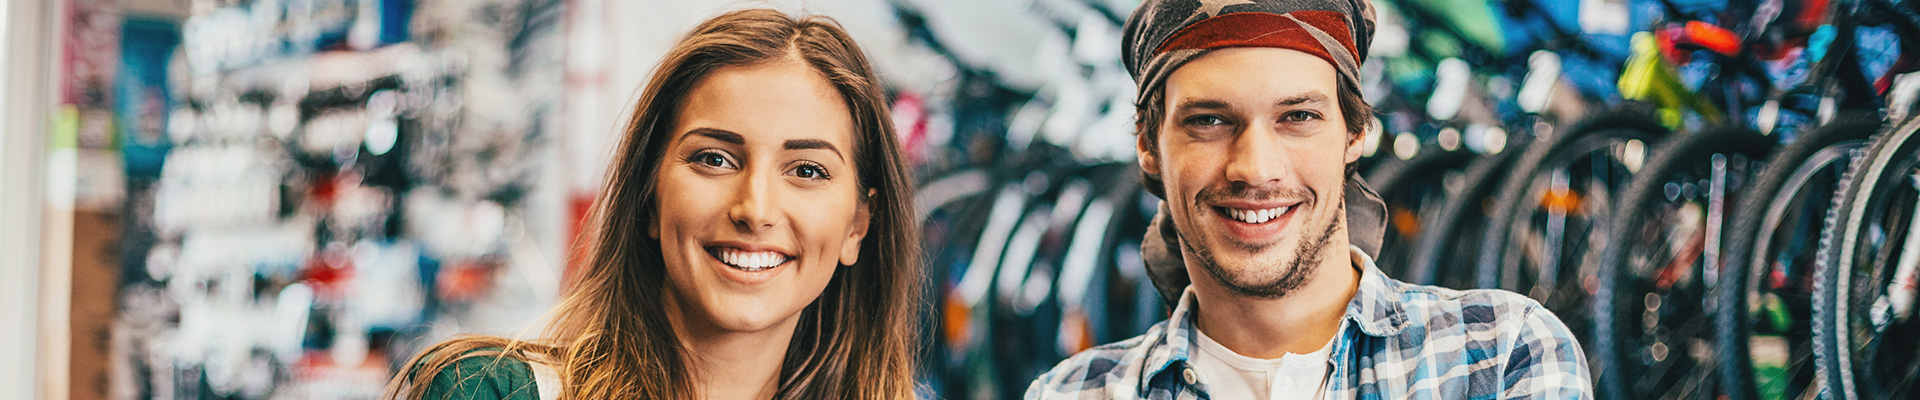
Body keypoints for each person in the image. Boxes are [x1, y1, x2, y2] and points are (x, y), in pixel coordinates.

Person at [1025, 0, 1593, 398]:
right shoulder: (1074, 393)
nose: (1255, 168)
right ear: (1149, 145)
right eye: (1209, 120)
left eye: (1298, 117)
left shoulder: (1500, 356)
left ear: (1354, 132)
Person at [381, 9, 922, 400]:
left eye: (806, 170)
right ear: (648, 195)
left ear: (858, 224)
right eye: (714, 159)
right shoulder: (485, 391)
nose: (755, 209)